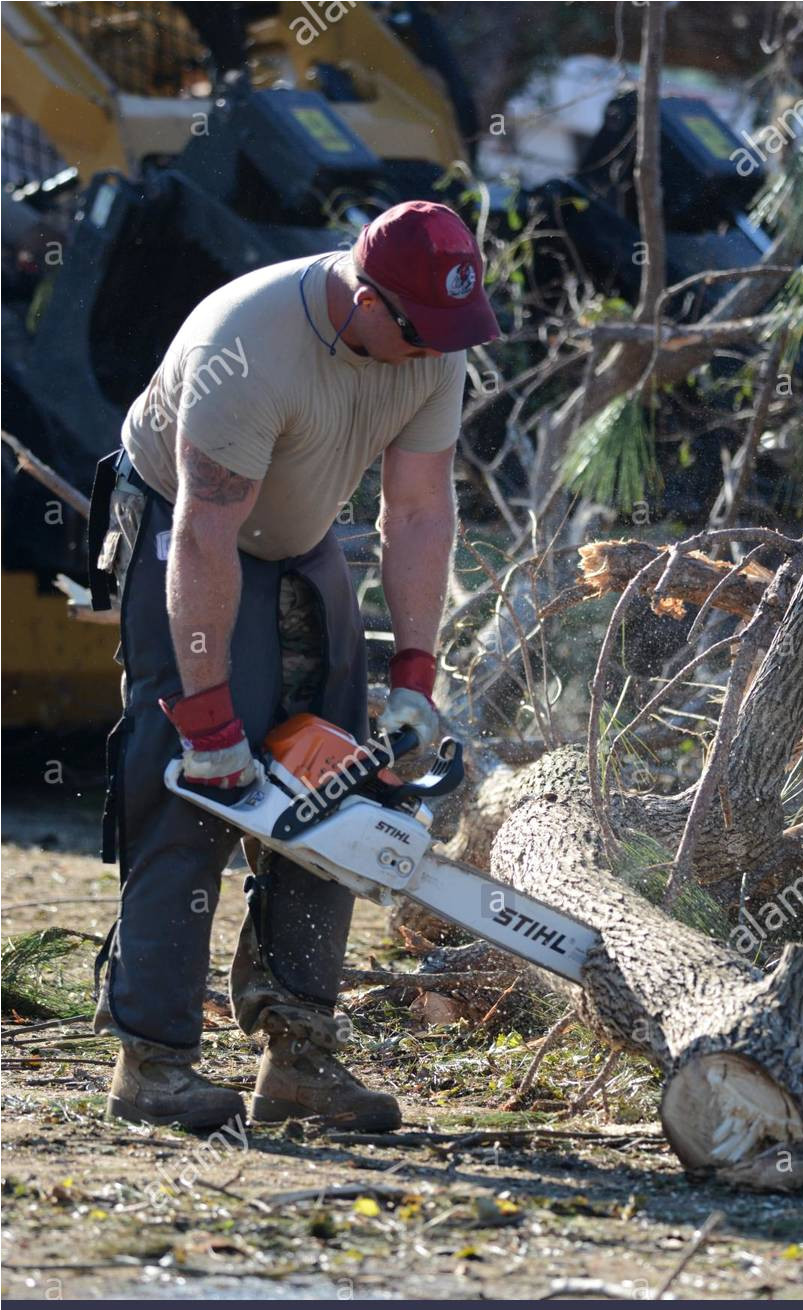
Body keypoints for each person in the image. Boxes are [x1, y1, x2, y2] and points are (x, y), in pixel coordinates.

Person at [87, 200, 499, 1132]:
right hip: (185, 531)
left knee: (339, 786)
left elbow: (422, 509)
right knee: (192, 785)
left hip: (303, 536)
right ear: (363, 297)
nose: (435, 350)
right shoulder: (249, 346)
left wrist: (416, 674)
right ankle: (152, 1063)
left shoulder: (433, 336)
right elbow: (203, 534)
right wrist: (210, 720)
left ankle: (301, 1054)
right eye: (420, 332)